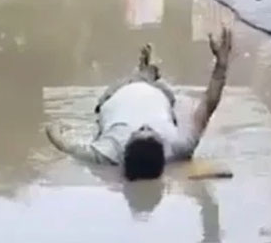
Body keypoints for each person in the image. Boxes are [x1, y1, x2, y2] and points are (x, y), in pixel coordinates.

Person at [45, 28, 233, 181]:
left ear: (125, 149)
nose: (145, 126)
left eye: (139, 132)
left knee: (137, 77)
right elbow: (208, 104)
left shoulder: (108, 153)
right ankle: (147, 71)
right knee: (156, 80)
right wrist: (221, 66)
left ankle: (143, 71)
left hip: (115, 92)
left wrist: (54, 130)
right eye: (150, 131)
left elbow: (66, 145)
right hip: (161, 92)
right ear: (163, 150)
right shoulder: (178, 148)